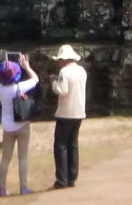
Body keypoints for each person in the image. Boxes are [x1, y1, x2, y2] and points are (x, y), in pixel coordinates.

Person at [0, 52, 38, 195]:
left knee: (5, 158)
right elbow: (35, 79)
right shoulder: (19, 88)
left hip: (7, 127)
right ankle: (23, 186)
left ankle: (2, 188)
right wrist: (27, 66)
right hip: (22, 125)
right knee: (23, 156)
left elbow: (4, 76)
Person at [50, 44, 86, 190]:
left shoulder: (64, 72)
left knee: (61, 145)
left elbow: (62, 90)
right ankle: (71, 177)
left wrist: (53, 82)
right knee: (73, 144)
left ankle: (62, 179)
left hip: (66, 113)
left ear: (64, 59)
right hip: (78, 111)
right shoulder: (81, 71)